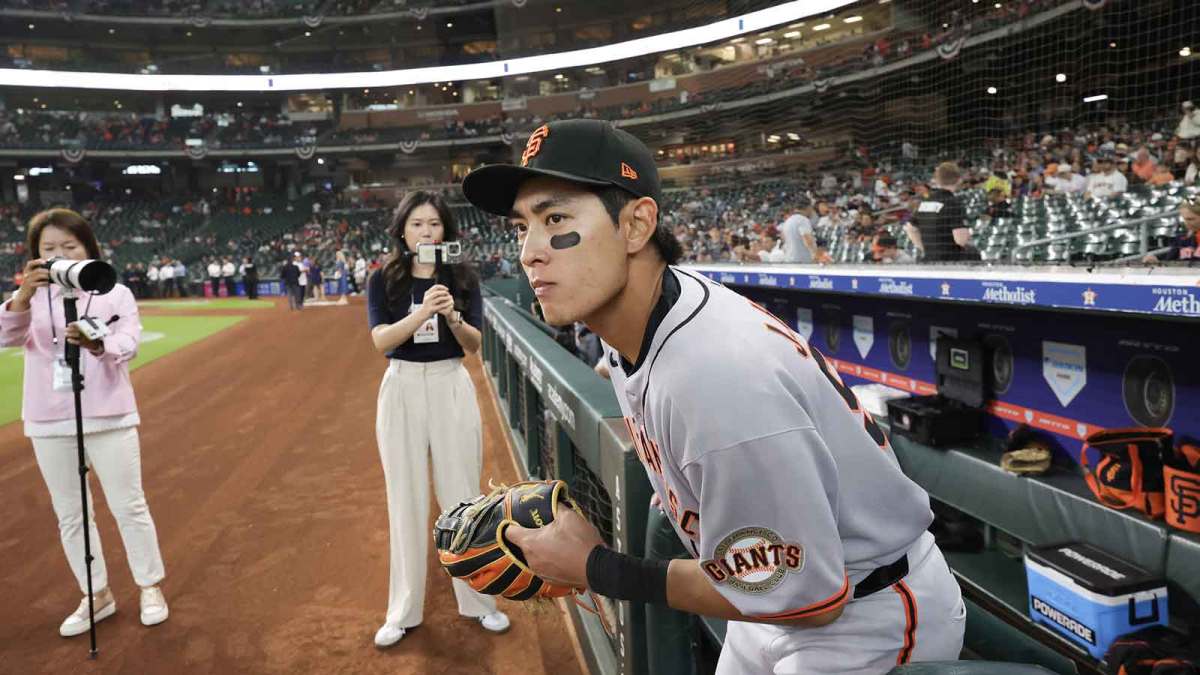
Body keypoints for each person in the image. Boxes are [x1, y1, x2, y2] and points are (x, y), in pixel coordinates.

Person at [462, 120, 965, 674]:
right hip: (774, 598)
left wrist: (595, 567)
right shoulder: (646, 316)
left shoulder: (713, 377)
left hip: (865, 618)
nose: (530, 252)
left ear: (636, 225)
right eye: (520, 227)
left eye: (556, 218)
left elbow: (808, 601)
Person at [0, 209, 169, 637]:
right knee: (71, 515)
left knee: (129, 505)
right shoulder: (30, 296)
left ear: (88, 248)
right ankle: (96, 594)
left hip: (108, 413)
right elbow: (6, 338)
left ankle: (150, 586)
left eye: (69, 247)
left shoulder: (116, 293)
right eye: (49, 249)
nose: (60, 256)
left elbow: (128, 343)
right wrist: (20, 298)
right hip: (48, 418)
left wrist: (98, 342)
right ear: (34, 256)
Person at [366, 191, 509, 648]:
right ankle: (402, 611)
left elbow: (473, 343)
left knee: (462, 495)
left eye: (433, 224)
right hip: (402, 384)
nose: (425, 232)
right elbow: (380, 340)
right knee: (404, 498)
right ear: (402, 232)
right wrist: (421, 313)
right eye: (416, 224)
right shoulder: (383, 279)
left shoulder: (462, 277)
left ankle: (480, 601)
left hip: (450, 382)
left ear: (445, 229)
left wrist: (449, 314)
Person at [906, 161, 972, 262]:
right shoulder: (953, 203)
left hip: (929, 260)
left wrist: (925, 249)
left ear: (937, 180)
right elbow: (960, 238)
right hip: (950, 262)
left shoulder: (925, 203)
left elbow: (910, 228)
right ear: (959, 180)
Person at [1143, 197, 1199, 265]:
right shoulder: (1182, 239)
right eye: (1184, 219)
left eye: (1191, 219)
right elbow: (1170, 260)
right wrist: (1156, 261)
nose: (1186, 223)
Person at [778, 199, 830, 263]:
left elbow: (783, 239)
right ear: (808, 207)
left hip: (789, 259)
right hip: (802, 261)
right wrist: (816, 255)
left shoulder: (788, 221)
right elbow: (807, 240)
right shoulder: (803, 220)